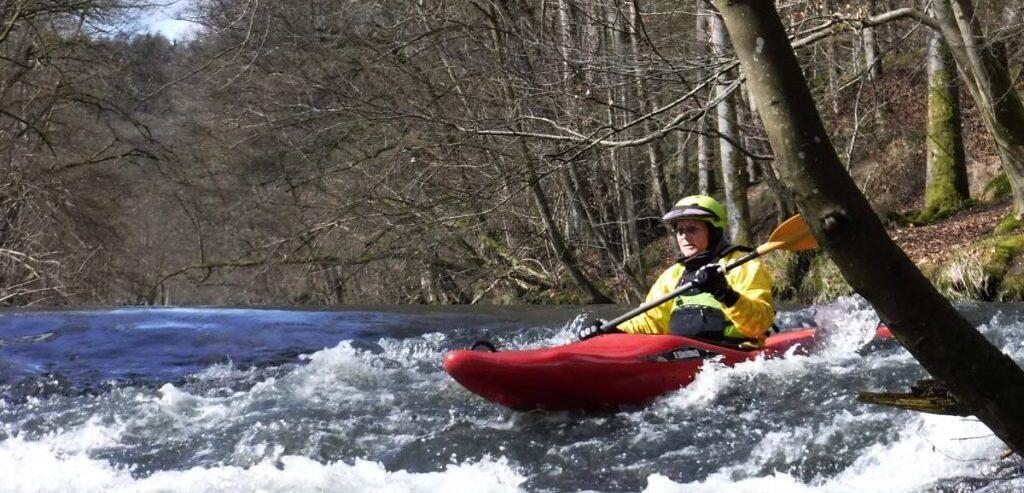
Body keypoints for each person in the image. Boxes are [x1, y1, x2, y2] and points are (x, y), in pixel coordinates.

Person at [577, 195, 774, 348]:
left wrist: (725, 293)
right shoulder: (673, 275)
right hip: (683, 354)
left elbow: (760, 325)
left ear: (713, 232)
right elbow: (651, 321)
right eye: (680, 230)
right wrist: (612, 330)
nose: (684, 237)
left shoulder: (742, 264)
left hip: (733, 352)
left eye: (693, 229)